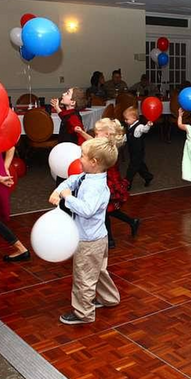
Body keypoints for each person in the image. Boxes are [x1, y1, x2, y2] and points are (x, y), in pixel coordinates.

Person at [49, 137, 121, 325]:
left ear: (94, 162)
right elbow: (71, 181)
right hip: (98, 237)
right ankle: (110, 298)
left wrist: (67, 198)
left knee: (84, 278)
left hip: (88, 241)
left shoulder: (95, 187)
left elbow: (87, 210)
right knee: (99, 270)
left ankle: (84, 313)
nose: (79, 159)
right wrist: (59, 190)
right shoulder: (86, 177)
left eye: (82, 156)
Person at [75, 118, 141, 248]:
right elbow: (93, 142)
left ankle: (110, 239)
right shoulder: (103, 142)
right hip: (105, 179)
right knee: (108, 209)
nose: (95, 134)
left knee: (105, 210)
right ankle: (132, 222)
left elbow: (94, 144)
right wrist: (82, 132)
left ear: (106, 134)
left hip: (108, 180)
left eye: (97, 132)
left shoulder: (109, 147)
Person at [122, 106, 154, 190]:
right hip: (132, 151)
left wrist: (148, 125)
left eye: (126, 119)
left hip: (138, 151)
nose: (125, 121)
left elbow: (144, 130)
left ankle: (127, 183)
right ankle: (148, 177)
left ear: (134, 118)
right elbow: (127, 136)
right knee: (139, 166)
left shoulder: (139, 127)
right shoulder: (129, 126)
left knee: (132, 167)